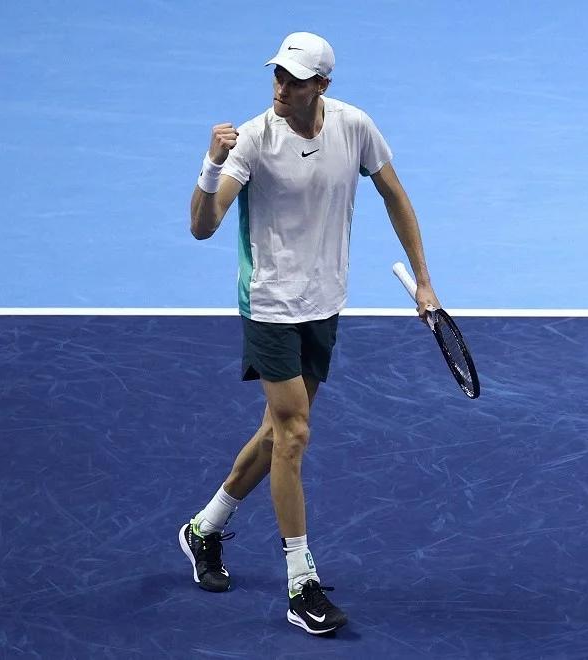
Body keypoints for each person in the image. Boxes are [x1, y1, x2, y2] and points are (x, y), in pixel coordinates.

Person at [180, 31, 440, 636]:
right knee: (295, 433)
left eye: (294, 79)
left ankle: (203, 529)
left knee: (277, 433)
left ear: (322, 85)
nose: (281, 87)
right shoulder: (252, 139)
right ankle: (300, 582)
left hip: (324, 303)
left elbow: (395, 196)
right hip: (269, 304)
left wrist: (425, 283)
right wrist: (211, 165)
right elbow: (203, 226)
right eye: (277, 75)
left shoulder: (353, 126)